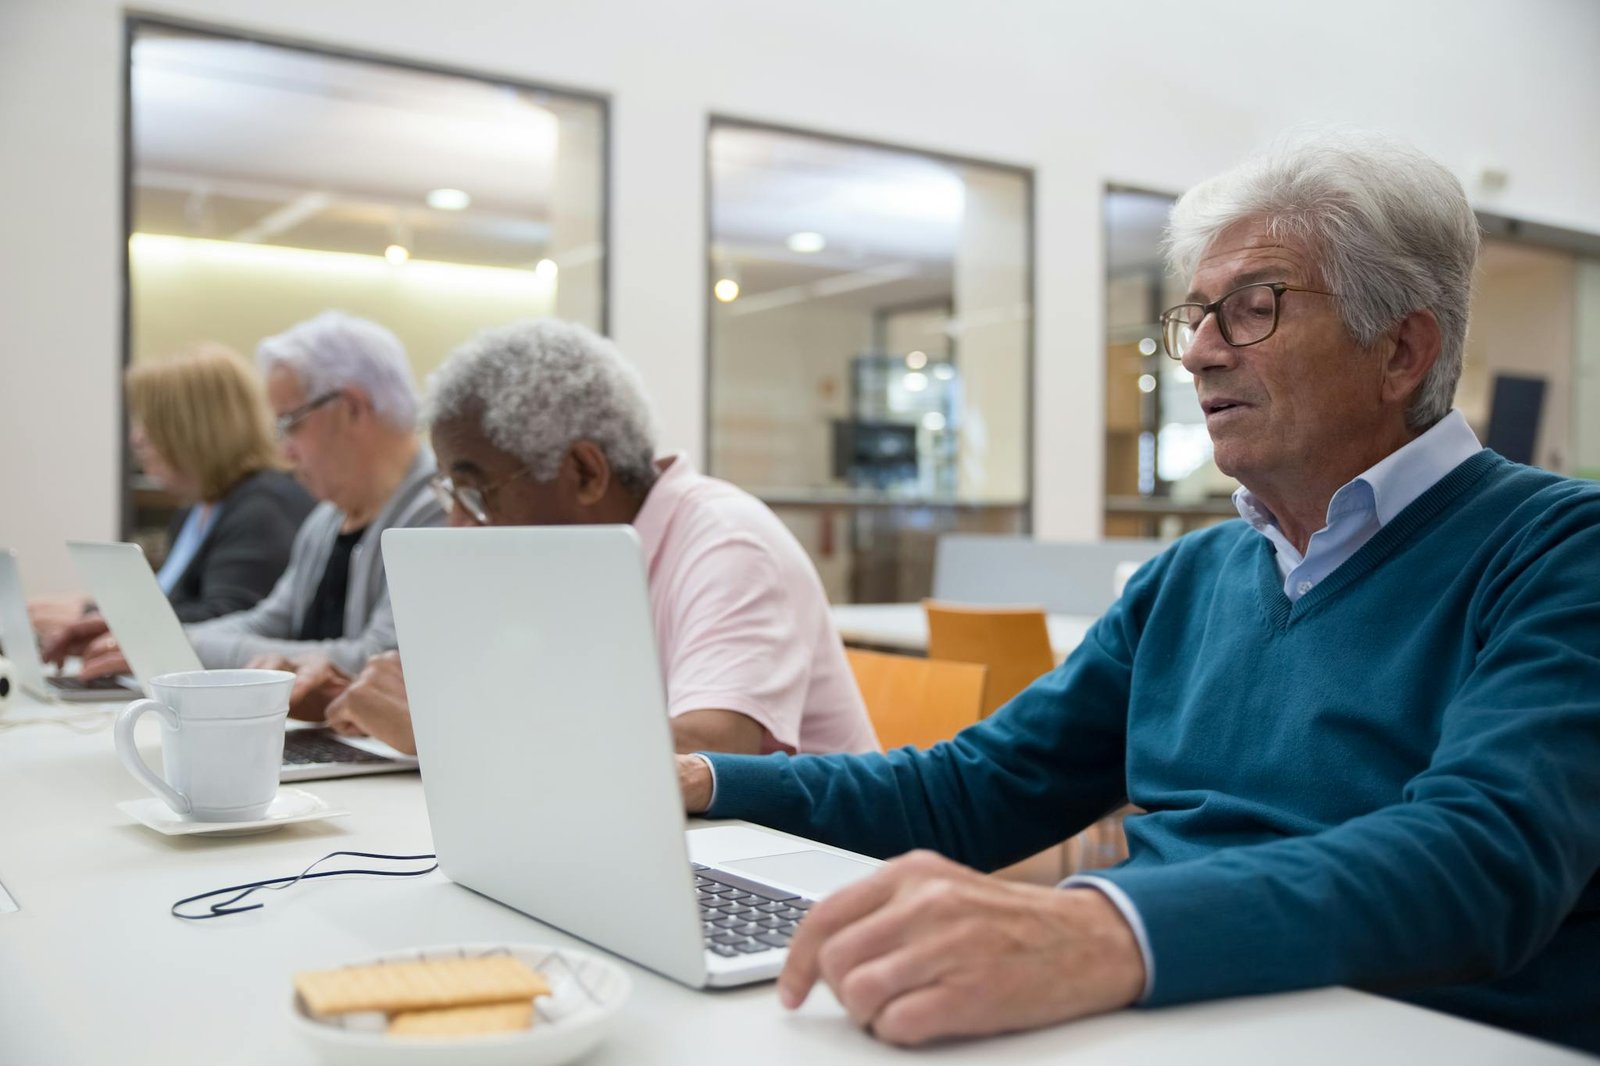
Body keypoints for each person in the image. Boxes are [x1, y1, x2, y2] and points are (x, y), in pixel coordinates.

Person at [672, 133, 1600, 1053]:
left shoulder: (1562, 552)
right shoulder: (1187, 580)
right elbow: (976, 790)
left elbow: (1484, 858)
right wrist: (709, 782)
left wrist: (1100, 930)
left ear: (1400, 350)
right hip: (1166, 1010)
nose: (1197, 353)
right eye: (1194, 316)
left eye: (1251, 308)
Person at [323, 317, 878, 758]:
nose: (461, 525)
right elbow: (529, 712)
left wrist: (449, 730)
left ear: (585, 473)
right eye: (452, 495)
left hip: (803, 869)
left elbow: (710, 750)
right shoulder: (575, 554)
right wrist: (358, 698)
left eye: (478, 491)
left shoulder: (729, 545)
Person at [65, 312, 445, 717]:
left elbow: (378, 660)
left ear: (351, 408)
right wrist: (160, 640)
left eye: (291, 424)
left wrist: (183, 646)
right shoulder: (326, 521)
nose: (284, 451)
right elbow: (268, 621)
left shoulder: (441, 514)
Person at [38, 344, 315, 674]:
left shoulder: (263, 507)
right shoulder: (195, 512)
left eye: (153, 422)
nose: (138, 439)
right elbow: (176, 609)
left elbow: (227, 619)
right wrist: (98, 616)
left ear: (196, 428)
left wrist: (96, 615)